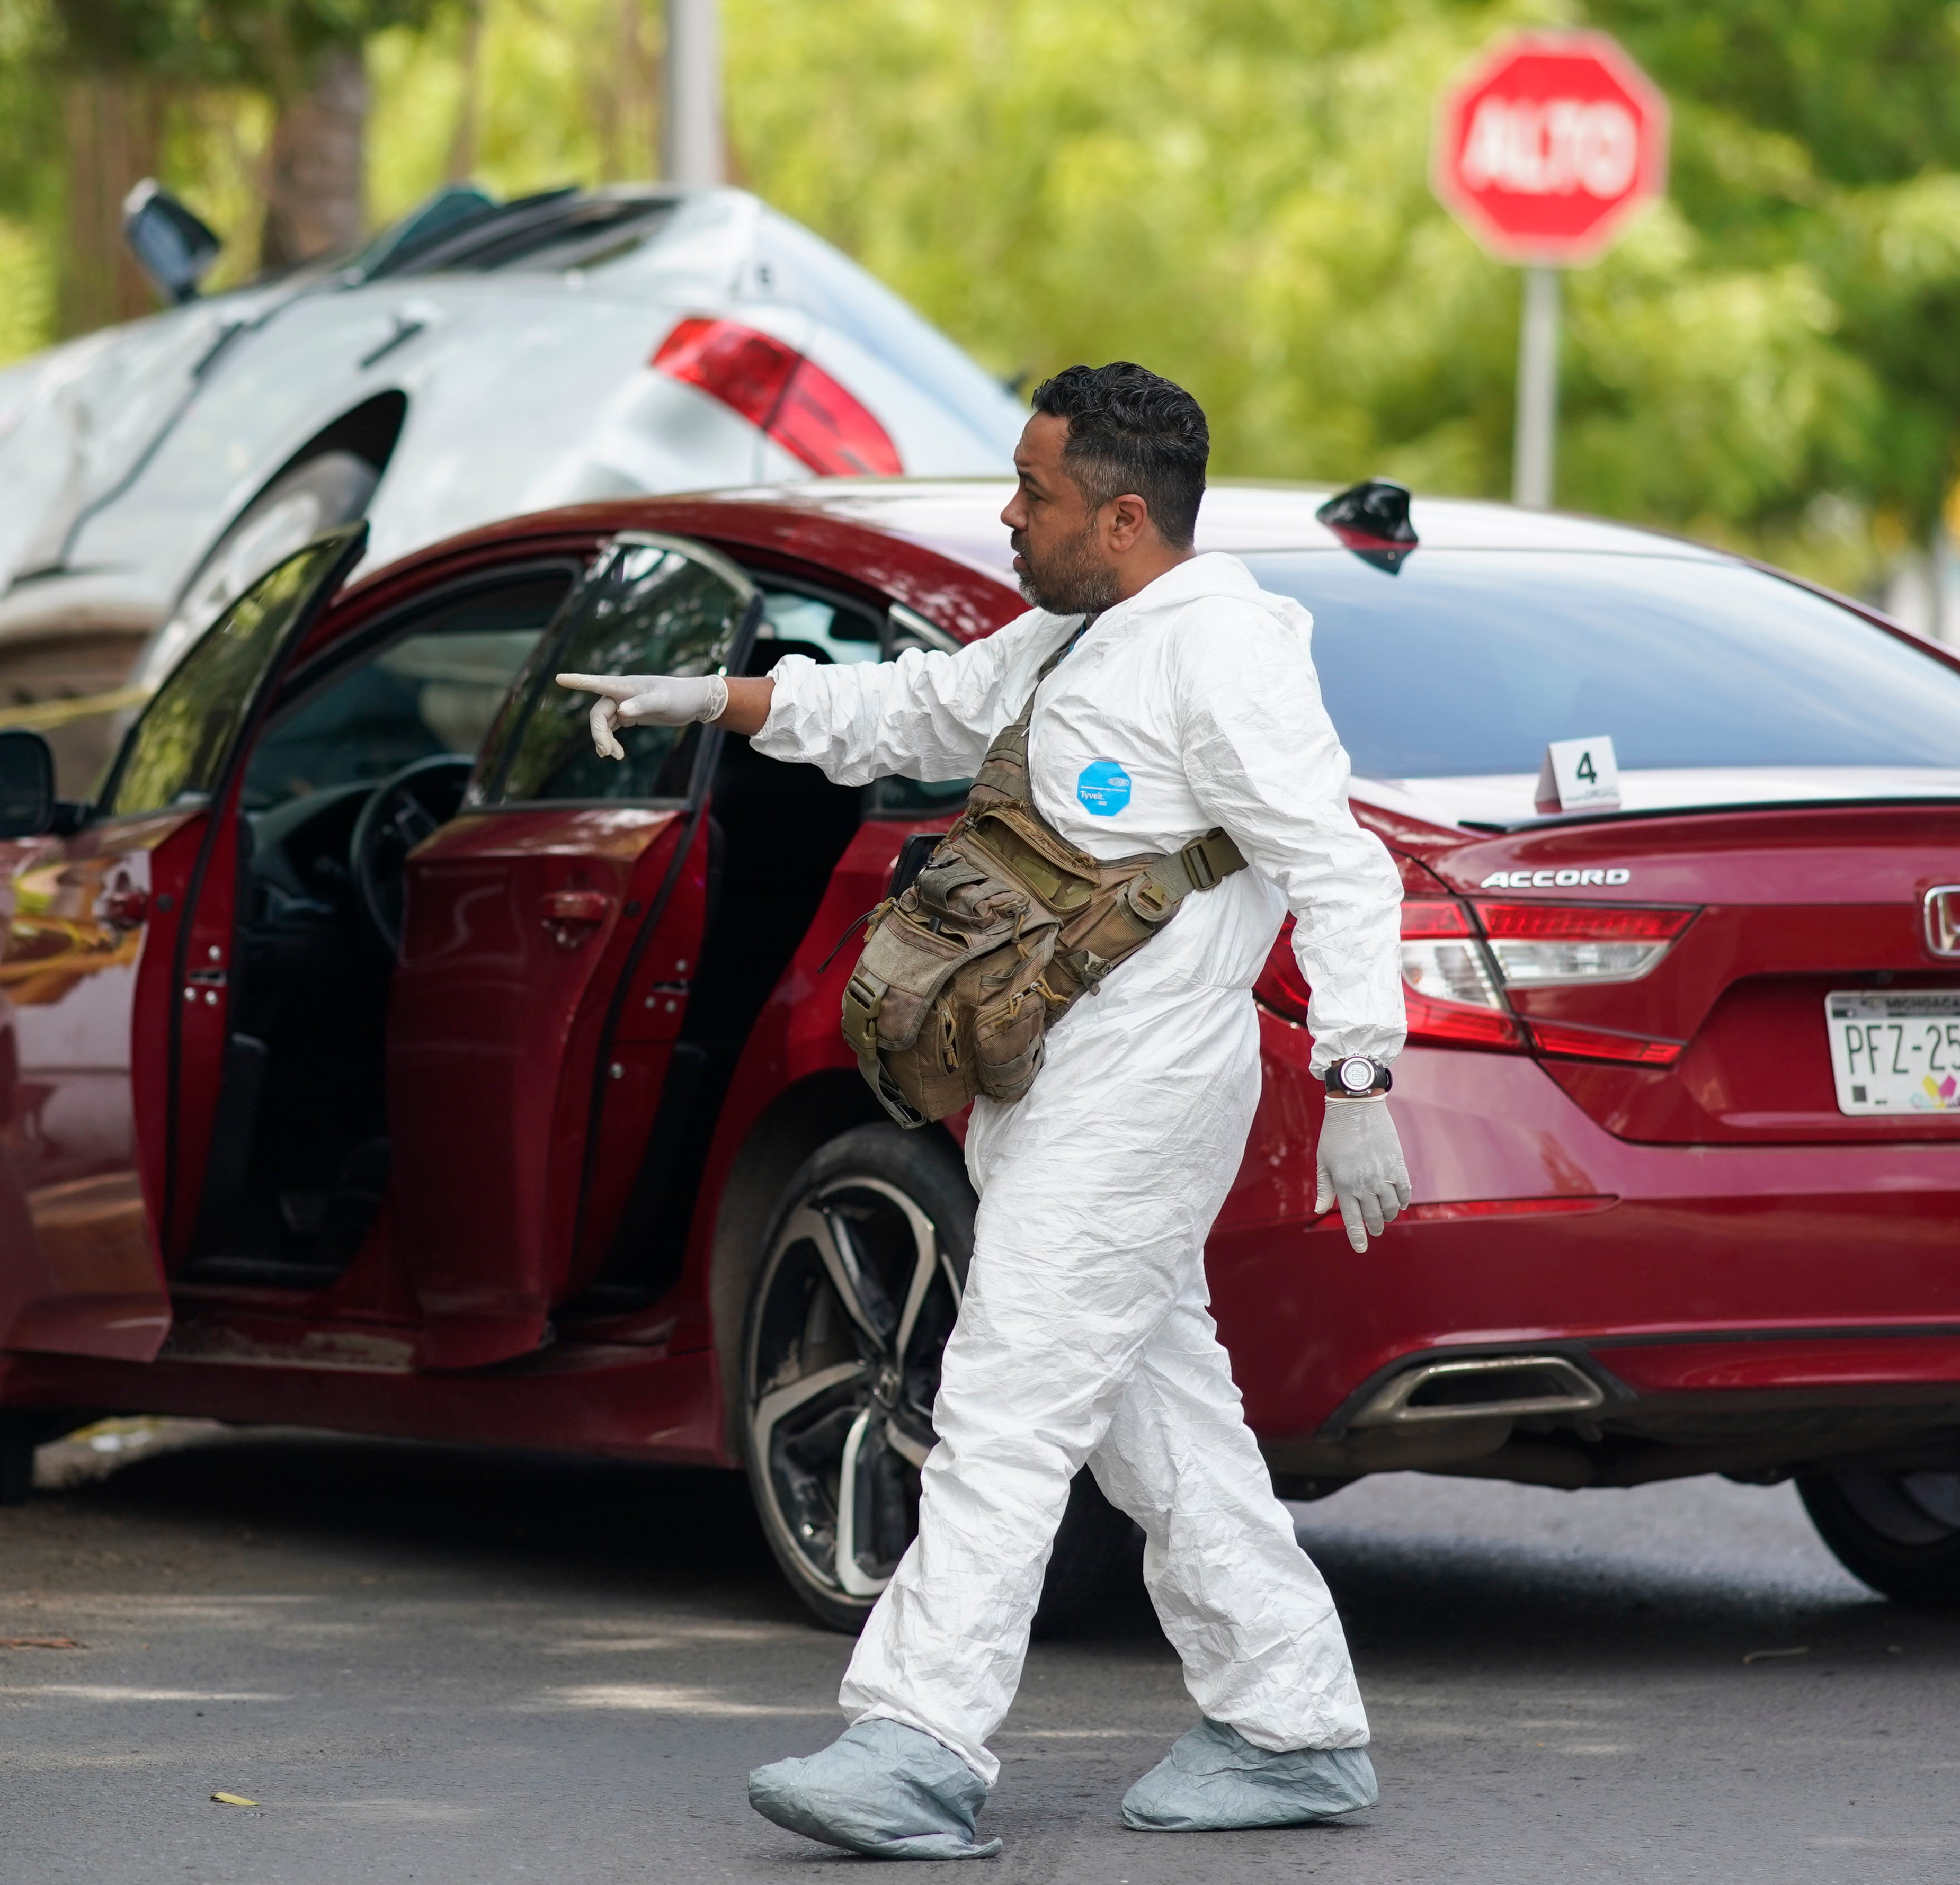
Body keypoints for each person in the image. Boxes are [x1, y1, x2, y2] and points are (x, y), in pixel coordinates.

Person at [557, 362, 1411, 1859]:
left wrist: (1357, 1080)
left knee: (1005, 1405)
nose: (1008, 516)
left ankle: (916, 1743)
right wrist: (722, 698)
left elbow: (1342, 870)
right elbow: (911, 707)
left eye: (1035, 494)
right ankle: (1290, 1720)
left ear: (1125, 517)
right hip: (1053, 1085)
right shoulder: (1075, 632)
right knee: (1158, 1422)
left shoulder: (1218, 657)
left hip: (1140, 1091)